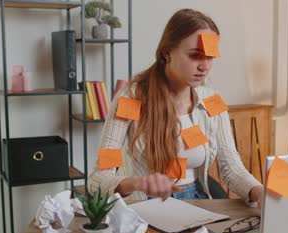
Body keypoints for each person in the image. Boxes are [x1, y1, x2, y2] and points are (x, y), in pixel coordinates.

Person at [88, 8, 264, 207]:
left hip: (198, 203)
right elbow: (98, 178)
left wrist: (258, 192)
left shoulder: (212, 101)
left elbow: (233, 170)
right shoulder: (131, 98)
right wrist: (138, 183)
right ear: (167, 54)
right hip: (147, 209)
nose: (204, 66)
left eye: (210, 57)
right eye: (195, 55)